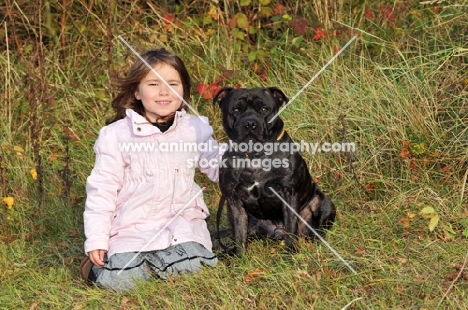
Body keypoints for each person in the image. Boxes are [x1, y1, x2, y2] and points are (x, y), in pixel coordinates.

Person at [80, 48, 221, 292]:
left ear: (184, 90)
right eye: (154, 84)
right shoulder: (116, 135)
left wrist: (250, 158)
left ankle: (161, 268)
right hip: (133, 230)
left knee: (199, 267)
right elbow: (102, 191)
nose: (164, 92)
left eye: (173, 84)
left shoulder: (194, 128)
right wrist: (97, 239)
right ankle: (104, 268)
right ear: (137, 90)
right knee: (120, 281)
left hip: (182, 228)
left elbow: (218, 164)